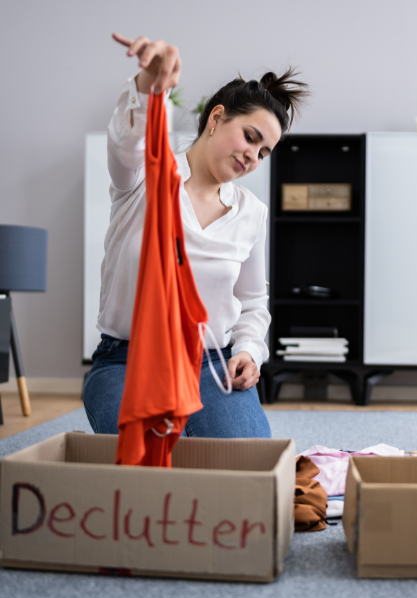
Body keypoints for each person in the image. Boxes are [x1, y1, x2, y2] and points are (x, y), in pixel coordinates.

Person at [83, 34, 309, 438]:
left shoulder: (251, 213)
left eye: (264, 153)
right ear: (217, 117)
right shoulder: (145, 177)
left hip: (213, 365)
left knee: (249, 472)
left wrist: (248, 352)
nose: (252, 157)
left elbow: (253, 302)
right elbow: (126, 143)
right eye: (250, 137)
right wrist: (149, 86)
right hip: (127, 361)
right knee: (148, 466)